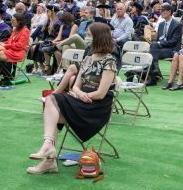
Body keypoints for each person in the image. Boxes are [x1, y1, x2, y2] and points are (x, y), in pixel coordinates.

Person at [26, 22, 119, 174]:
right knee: (53, 102)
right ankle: (49, 154)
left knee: (53, 101)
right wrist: (79, 93)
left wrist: (82, 95)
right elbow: (76, 85)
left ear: (98, 38)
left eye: (89, 35)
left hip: (96, 107)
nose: (86, 38)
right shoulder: (89, 57)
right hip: (81, 99)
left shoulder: (110, 61)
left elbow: (101, 93)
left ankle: (48, 152)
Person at [146, 4, 183, 85]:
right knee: (152, 48)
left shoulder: (177, 25)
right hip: (161, 48)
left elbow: (173, 41)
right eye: (160, 11)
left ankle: (153, 76)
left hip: (173, 50)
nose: (161, 13)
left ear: (169, 12)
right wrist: (158, 43)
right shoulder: (161, 24)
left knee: (151, 51)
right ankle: (154, 72)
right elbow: (158, 39)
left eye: (163, 11)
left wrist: (159, 43)